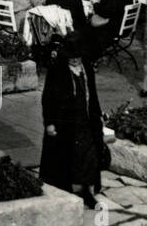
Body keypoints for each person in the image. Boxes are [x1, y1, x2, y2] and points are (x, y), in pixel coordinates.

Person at [39, 33, 105, 207]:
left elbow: (94, 94)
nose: (75, 61)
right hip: (65, 121)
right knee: (71, 157)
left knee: (90, 155)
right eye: (71, 58)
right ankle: (71, 189)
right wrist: (50, 122)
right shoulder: (57, 70)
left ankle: (88, 192)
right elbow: (48, 98)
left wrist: (98, 115)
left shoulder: (87, 68)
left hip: (87, 119)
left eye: (77, 57)